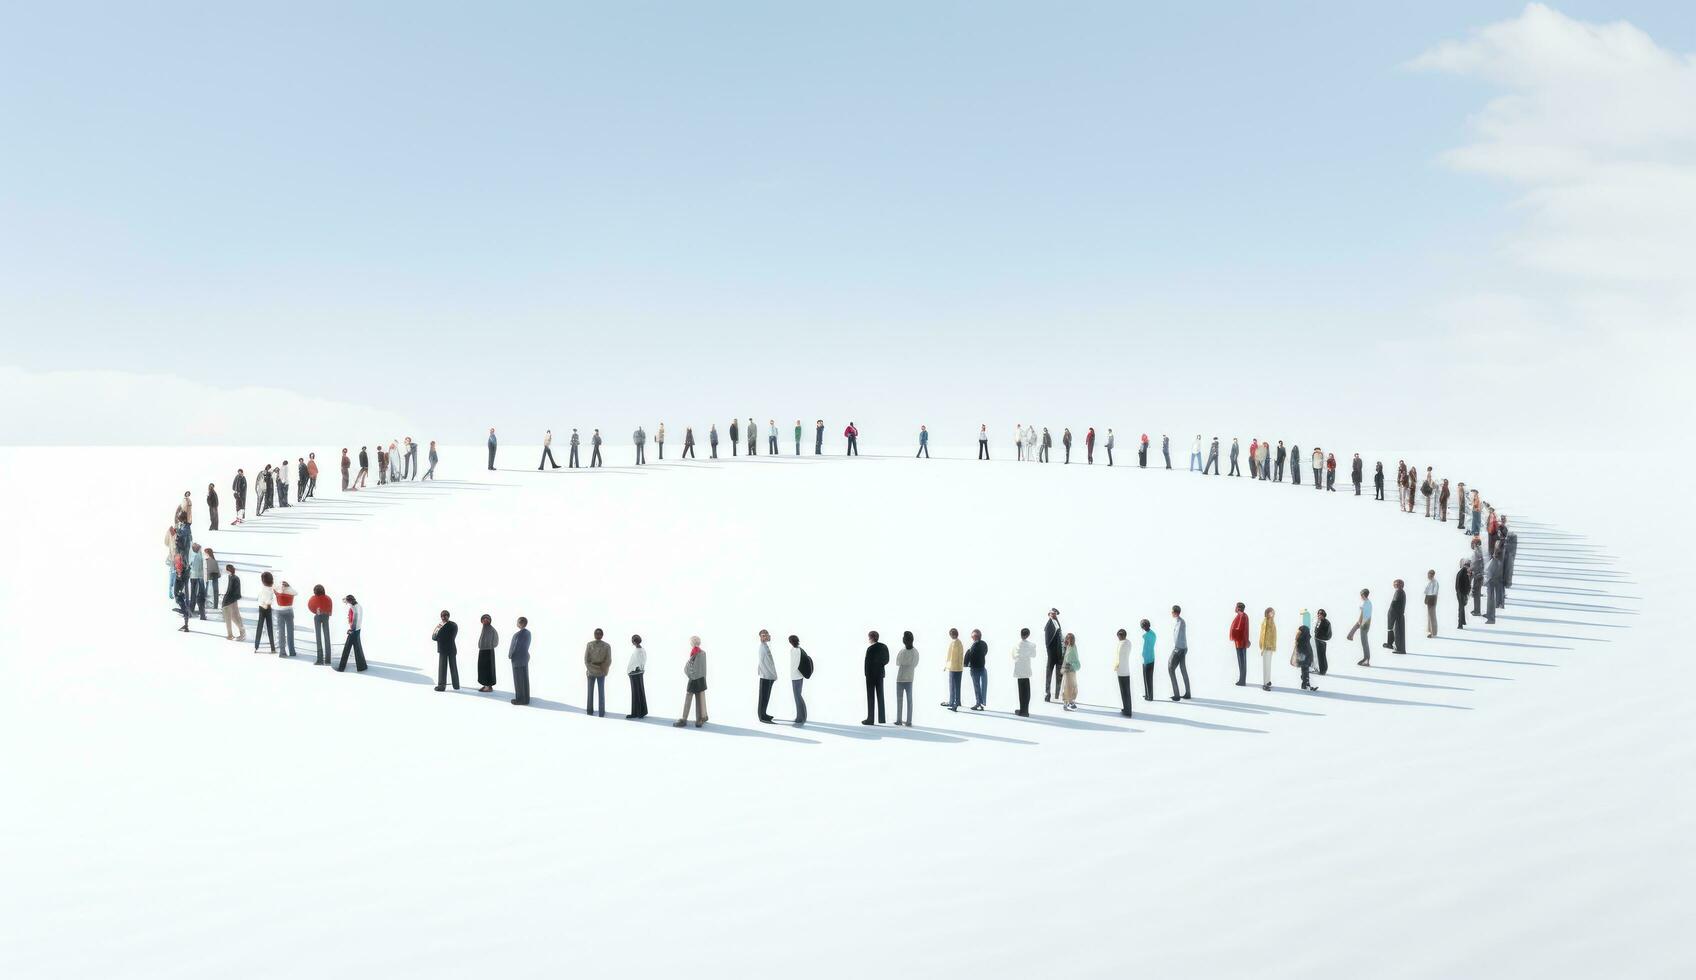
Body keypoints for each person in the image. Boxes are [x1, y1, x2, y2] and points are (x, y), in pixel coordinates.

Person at [675, 637, 708, 728]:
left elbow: (688, 668)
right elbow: (704, 668)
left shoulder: (694, 652)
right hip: (701, 679)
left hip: (694, 679)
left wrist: (690, 675)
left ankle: (684, 718)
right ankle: (699, 720)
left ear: (692, 643)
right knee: (698, 699)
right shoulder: (703, 653)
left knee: (688, 698)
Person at [862, 630, 889, 725]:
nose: (868, 639)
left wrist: (866, 673)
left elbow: (867, 664)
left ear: (872, 638)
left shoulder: (870, 649)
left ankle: (870, 719)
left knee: (871, 697)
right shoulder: (884, 647)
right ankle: (882, 718)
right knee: (880, 695)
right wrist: (879, 665)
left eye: (869, 637)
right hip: (880, 674)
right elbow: (886, 660)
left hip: (870, 676)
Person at [584, 628, 611, 715]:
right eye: (596, 633)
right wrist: (592, 669)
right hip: (592, 671)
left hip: (601, 672)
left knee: (601, 692)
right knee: (590, 692)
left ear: (602, 635)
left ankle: (601, 712)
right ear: (594, 635)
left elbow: (608, 660)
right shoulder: (589, 644)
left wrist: (602, 669)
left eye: (599, 634)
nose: (598, 635)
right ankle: (589, 710)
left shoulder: (607, 646)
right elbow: (586, 660)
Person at [894, 632, 918, 726]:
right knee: (905, 700)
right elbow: (913, 663)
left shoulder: (906, 651)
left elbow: (899, 662)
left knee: (904, 700)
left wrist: (904, 663)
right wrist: (907, 664)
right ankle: (904, 720)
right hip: (905, 678)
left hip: (904, 678)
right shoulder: (911, 651)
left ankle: (904, 720)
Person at [1011, 628, 1037, 716]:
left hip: (1019, 668)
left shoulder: (1016, 645)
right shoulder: (1031, 645)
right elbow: (1033, 655)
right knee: (1027, 690)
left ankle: (1023, 710)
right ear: (1028, 635)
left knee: (1021, 690)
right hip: (1026, 668)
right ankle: (1025, 710)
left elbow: (1013, 656)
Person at [338, 595, 367, 672]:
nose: (347, 604)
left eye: (347, 602)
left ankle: (341, 668)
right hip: (357, 630)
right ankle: (362, 666)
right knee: (358, 649)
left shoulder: (354, 608)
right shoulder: (358, 606)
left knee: (346, 649)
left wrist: (351, 630)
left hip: (354, 631)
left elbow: (355, 619)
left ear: (350, 601)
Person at [433, 610, 460, 691]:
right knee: (442, 668)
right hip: (442, 649)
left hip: (450, 648)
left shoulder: (453, 625)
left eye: (445, 615)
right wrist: (438, 635)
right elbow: (433, 637)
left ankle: (456, 685)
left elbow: (450, 636)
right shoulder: (440, 625)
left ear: (448, 616)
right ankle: (441, 685)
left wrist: (438, 635)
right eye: (442, 616)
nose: (443, 617)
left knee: (453, 667)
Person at [1169, 606, 1191, 700]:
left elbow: (1178, 637)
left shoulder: (1180, 622)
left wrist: (1176, 649)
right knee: (1183, 670)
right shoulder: (1179, 621)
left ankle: (1177, 695)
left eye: (1172, 612)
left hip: (1179, 648)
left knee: (1170, 668)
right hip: (1182, 648)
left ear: (1175, 612)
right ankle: (1187, 693)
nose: (1171, 613)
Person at [756, 630, 778, 723]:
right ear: (761, 637)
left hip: (767, 675)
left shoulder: (765, 646)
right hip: (766, 675)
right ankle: (762, 716)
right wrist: (774, 675)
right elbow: (768, 664)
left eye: (767, 634)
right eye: (764, 635)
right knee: (763, 697)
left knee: (766, 696)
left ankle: (764, 714)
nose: (767, 636)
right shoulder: (763, 648)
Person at [1043, 607, 1064, 703]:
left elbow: (1060, 638)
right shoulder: (1049, 625)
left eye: (1055, 614)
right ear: (1049, 615)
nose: (1054, 615)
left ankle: (1057, 694)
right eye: (1052, 614)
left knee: (1059, 675)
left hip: (1059, 654)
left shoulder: (1057, 623)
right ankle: (1047, 694)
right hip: (1052, 655)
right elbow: (1047, 643)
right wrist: (1050, 654)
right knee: (1049, 674)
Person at [307, 586, 333, 665]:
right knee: (327, 637)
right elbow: (330, 609)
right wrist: (328, 612)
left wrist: (316, 611)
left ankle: (320, 659)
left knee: (318, 637)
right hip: (326, 616)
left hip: (317, 617)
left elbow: (310, 606)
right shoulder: (328, 598)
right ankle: (328, 660)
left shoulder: (313, 598)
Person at [253, 571, 277, 654]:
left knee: (259, 627)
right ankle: (272, 648)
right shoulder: (271, 589)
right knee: (270, 628)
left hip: (262, 608)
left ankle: (256, 646)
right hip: (268, 608)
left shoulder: (262, 588)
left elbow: (259, 598)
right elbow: (270, 600)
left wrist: (263, 604)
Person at [941, 627, 964, 710]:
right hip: (959, 668)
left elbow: (951, 656)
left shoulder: (953, 643)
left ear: (951, 634)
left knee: (952, 686)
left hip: (953, 668)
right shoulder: (960, 642)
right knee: (958, 686)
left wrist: (947, 666)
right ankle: (958, 701)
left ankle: (951, 702)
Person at [509, 617, 531, 705]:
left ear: (520, 623)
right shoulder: (528, 633)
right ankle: (526, 698)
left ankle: (520, 699)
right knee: (525, 678)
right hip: (525, 657)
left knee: (518, 680)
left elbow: (515, 647)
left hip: (517, 659)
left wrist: (510, 655)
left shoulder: (517, 635)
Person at [965, 629, 989, 710]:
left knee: (977, 687)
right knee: (981, 686)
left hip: (975, 668)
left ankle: (979, 703)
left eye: (973, 636)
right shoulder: (983, 644)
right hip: (981, 667)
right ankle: (980, 703)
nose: (973, 638)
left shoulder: (974, 646)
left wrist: (968, 663)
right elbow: (985, 652)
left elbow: (971, 656)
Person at [625, 634, 648, 718]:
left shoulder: (637, 651)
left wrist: (630, 670)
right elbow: (643, 661)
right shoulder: (643, 650)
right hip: (640, 672)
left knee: (636, 692)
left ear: (634, 641)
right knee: (640, 691)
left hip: (634, 673)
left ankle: (636, 712)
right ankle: (642, 711)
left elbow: (634, 663)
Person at [788, 634, 809, 726]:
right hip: (799, 676)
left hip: (795, 677)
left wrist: (792, 675)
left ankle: (801, 718)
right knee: (798, 696)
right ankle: (801, 716)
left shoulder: (795, 651)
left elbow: (795, 665)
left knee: (797, 696)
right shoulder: (799, 649)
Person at [274, 578, 298, 658]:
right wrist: (289, 587)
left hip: (280, 611)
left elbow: (274, 588)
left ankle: (282, 652)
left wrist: (280, 586)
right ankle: (292, 651)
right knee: (290, 632)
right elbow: (296, 593)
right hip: (289, 611)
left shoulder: (278, 592)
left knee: (281, 632)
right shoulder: (290, 592)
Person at [1113, 628, 1134, 715]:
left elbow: (1119, 656)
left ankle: (1127, 710)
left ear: (1121, 635)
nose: (1118, 638)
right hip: (1126, 670)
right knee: (1127, 691)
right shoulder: (1128, 642)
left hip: (1121, 670)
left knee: (1124, 691)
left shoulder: (1121, 644)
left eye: (1118, 636)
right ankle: (1127, 708)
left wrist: (1116, 666)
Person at [1349, 589, 1373, 666]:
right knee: (1364, 642)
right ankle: (1366, 658)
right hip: (1365, 624)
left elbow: (1364, 615)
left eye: (1361, 595)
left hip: (1364, 624)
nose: (1360, 597)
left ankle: (1366, 660)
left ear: (1363, 595)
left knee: (1364, 642)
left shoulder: (1367, 603)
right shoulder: (1367, 603)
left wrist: (1360, 623)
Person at [221, 565, 245, 640]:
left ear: (228, 570)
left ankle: (233, 634)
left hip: (228, 601)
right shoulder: (233, 577)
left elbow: (230, 590)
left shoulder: (232, 578)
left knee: (231, 618)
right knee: (235, 617)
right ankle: (240, 632)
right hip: (231, 600)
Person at [1228, 601, 1250, 686]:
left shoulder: (1242, 615)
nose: (1235, 608)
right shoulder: (1243, 615)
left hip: (1240, 642)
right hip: (1241, 641)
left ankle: (1242, 680)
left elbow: (1240, 629)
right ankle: (1242, 679)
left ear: (1238, 608)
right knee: (1242, 661)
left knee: (1242, 661)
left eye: (1236, 607)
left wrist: (1233, 631)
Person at [476, 615, 499, 692]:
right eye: (483, 619)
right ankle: (485, 685)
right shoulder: (484, 628)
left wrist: (489, 646)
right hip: (482, 650)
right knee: (482, 668)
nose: (485, 621)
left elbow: (496, 642)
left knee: (488, 669)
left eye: (487, 619)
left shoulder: (492, 629)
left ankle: (488, 686)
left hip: (488, 651)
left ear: (490, 621)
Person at [1386, 579, 1408, 656]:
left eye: (1396, 584)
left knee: (1398, 632)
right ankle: (1393, 645)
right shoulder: (1400, 591)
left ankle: (1400, 649)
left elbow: (1394, 604)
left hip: (1397, 615)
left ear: (1400, 585)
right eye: (1394, 584)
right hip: (1397, 614)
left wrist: (1391, 613)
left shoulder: (1399, 592)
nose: (1394, 585)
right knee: (1395, 631)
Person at [1257, 608, 1277, 691]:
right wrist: (1263, 647)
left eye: (1273, 613)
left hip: (1270, 647)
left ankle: (1268, 681)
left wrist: (1273, 646)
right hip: (1266, 647)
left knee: (1269, 665)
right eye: (1271, 613)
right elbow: (1263, 635)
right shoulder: (1266, 622)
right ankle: (1265, 683)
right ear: (1267, 613)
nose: (1272, 614)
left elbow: (1274, 635)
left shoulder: (1272, 621)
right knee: (1266, 665)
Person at [1294, 625, 1318, 691]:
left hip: (1305, 659)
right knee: (1305, 672)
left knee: (1305, 672)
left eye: (1300, 631)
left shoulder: (1302, 639)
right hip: (1305, 659)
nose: (1298, 632)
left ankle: (1306, 685)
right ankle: (1306, 685)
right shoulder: (1305, 638)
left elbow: (1302, 650)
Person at [1060, 633, 1080, 709]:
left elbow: (1075, 657)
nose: (1069, 640)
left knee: (1073, 685)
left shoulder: (1073, 647)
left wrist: (1072, 665)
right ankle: (1066, 702)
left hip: (1072, 669)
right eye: (1068, 638)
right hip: (1068, 669)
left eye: (1071, 638)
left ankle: (1070, 701)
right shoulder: (1067, 647)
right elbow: (1065, 658)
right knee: (1067, 686)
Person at [187, 545, 207, 620]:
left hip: (194, 576)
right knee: (200, 595)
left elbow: (191, 565)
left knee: (193, 594)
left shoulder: (194, 555)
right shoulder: (198, 555)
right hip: (198, 577)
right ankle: (202, 614)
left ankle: (191, 611)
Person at [1484, 546, 1503, 625]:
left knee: (1491, 601)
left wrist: (1487, 580)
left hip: (1491, 582)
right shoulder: (1498, 562)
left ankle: (1491, 618)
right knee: (1490, 600)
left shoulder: (1495, 562)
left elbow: (1489, 571)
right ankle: (1489, 614)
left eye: (1494, 554)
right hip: (1492, 582)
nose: (1493, 554)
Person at [1313, 608, 1332, 675]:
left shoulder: (1326, 622)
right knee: (1319, 655)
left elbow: (1327, 633)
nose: (1318, 615)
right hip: (1318, 639)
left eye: (1320, 613)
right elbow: (1316, 630)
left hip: (1321, 640)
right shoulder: (1320, 621)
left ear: (1323, 614)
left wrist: (1321, 637)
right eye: (1318, 613)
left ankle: (1323, 670)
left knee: (1321, 655)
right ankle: (1321, 669)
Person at [1455, 559, 1472, 630]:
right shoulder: (1463, 572)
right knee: (1461, 608)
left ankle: (1463, 621)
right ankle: (1460, 624)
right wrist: (1465, 593)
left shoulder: (1463, 572)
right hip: (1461, 593)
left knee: (1462, 607)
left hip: (1461, 592)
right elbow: (1460, 585)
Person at [1424, 569, 1440, 638]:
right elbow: (1426, 591)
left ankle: (1433, 632)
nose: (1428, 576)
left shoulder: (1435, 582)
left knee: (1432, 616)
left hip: (1432, 599)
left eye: (1429, 575)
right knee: (1430, 615)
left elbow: (1435, 592)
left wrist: (1429, 595)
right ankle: (1430, 630)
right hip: (1429, 598)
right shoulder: (1430, 582)